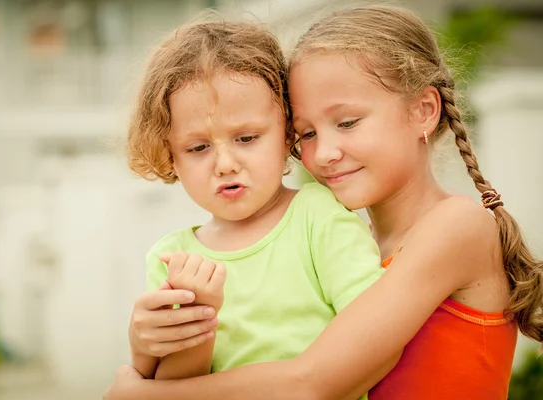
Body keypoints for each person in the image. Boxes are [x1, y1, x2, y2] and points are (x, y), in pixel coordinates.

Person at [104, 5, 543, 400]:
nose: (324, 152)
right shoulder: (354, 242)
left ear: (423, 111)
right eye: (308, 133)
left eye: (347, 122)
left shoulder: (457, 225)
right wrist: (147, 344)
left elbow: (313, 382)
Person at [125, 17, 383, 384]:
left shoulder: (318, 217)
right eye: (198, 147)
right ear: (170, 156)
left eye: (246, 138)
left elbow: (371, 344)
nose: (226, 165)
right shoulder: (172, 258)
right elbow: (175, 390)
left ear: (286, 133)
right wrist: (198, 319)